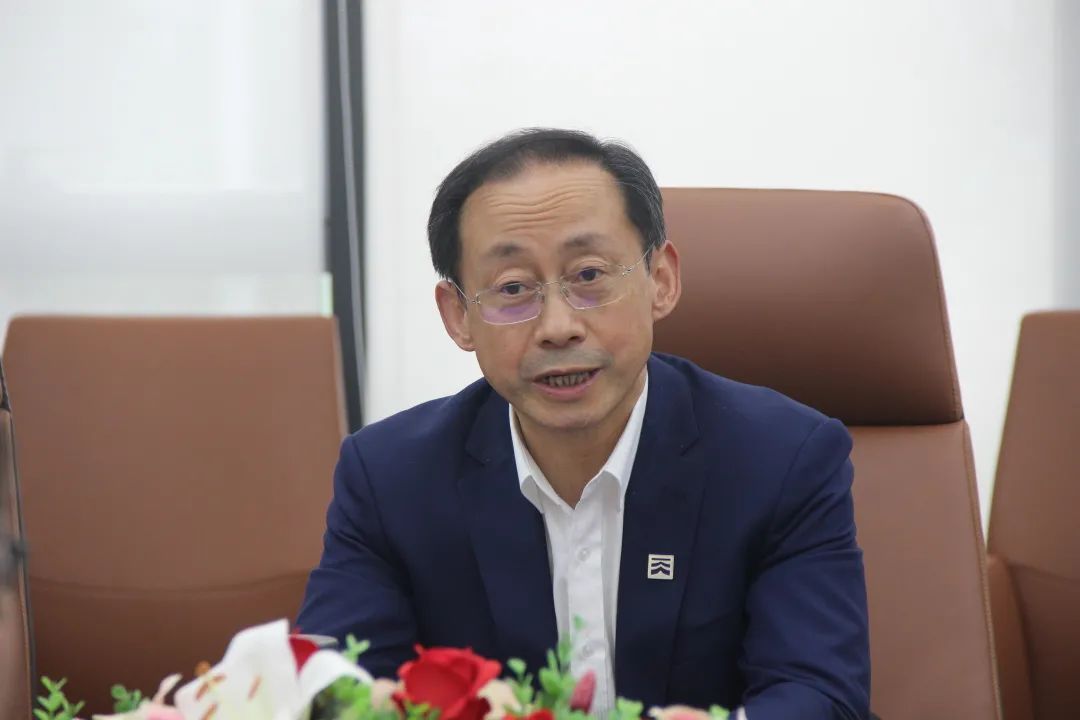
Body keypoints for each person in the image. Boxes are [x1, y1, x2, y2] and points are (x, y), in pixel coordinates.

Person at [298, 128, 870, 719]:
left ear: (661, 280)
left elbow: (820, 696)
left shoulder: (783, 459)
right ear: (458, 316)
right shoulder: (390, 479)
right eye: (513, 288)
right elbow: (330, 694)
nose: (557, 327)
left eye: (590, 275)